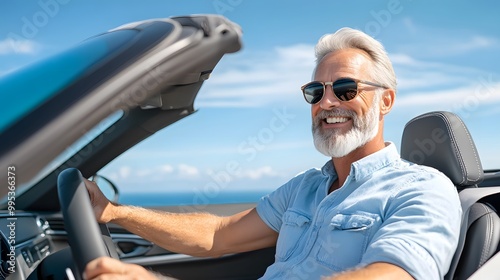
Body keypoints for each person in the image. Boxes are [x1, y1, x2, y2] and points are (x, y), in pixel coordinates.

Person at [84, 27, 462, 280]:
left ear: (386, 101)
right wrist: (114, 212)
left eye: (346, 88)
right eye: (316, 91)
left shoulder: (424, 190)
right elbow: (218, 234)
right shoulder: (306, 189)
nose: (327, 101)